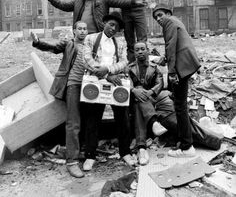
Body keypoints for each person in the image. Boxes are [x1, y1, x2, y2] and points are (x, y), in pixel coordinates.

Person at [129, 41, 221, 165]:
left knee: (177, 121)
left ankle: (212, 140)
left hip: (156, 100)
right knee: (138, 99)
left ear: (147, 50)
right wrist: (134, 90)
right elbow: (126, 82)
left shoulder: (154, 67)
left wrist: (150, 92)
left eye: (142, 49)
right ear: (133, 52)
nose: (140, 52)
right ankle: (143, 144)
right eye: (137, 50)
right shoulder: (129, 68)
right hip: (140, 102)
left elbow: (159, 83)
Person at [31, 21, 88, 178]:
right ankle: (72, 161)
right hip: (72, 86)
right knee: (73, 122)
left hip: (88, 88)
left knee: (85, 120)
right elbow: (53, 47)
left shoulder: (91, 46)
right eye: (80, 29)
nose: (83, 31)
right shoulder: (69, 44)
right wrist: (37, 42)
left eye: (85, 29)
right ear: (74, 31)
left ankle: (80, 151)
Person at [82, 11, 136, 171]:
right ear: (104, 23)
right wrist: (106, 75)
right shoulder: (91, 38)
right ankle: (90, 156)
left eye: (117, 27)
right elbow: (86, 59)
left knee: (123, 117)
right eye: (111, 24)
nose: (113, 29)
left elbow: (124, 61)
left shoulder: (120, 42)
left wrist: (110, 71)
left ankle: (125, 152)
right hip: (96, 81)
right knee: (93, 119)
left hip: (116, 80)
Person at [152, 5, 201, 158]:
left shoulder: (169, 22)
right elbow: (175, 46)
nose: (159, 19)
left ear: (168, 13)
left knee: (180, 106)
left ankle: (187, 147)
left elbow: (171, 45)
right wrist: (164, 59)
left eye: (160, 15)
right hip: (185, 63)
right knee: (179, 104)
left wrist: (172, 72)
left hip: (181, 66)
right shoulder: (175, 22)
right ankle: (183, 141)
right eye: (156, 18)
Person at [40, 0, 146, 33]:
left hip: (98, 34)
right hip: (82, 35)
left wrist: (132, 1)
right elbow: (63, 5)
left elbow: (118, 2)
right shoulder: (78, 2)